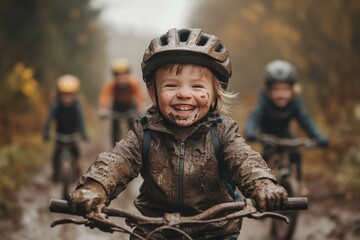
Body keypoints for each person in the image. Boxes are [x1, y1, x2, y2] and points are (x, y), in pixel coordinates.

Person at [68, 28, 288, 240]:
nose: (184, 93)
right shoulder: (143, 133)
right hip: (154, 231)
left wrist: (263, 184)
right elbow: (117, 161)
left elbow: (245, 161)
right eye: (171, 86)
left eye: (197, 86)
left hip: (214, 231)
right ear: (154, 93)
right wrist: (95, 189)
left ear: (214, 94)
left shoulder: (222, 133)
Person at [245, 59, 329, 194]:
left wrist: (318, 136)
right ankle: (260, 185)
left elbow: (305, 119)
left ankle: (299, 182)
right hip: (268, 134)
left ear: (292, 90)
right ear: (268, 91)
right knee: (264, 159)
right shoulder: (264, 102)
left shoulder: (295, 102)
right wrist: (251, 131)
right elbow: (254, 117)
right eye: (276, 90)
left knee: (296, 152)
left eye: (285, 89)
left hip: (286, 133)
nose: (280, 94)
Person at [43, 74, 88, 182]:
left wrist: (83, 133)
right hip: (60, 136)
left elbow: (80, 121)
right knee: (55, 154)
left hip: (72, 136)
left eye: (70, 95)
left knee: (76, 152)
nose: (67, 98)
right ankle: (55, 173)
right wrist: (46, 131)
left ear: (75, 95)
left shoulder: (77, 107)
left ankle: (78, 172)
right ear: (59, 95)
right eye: (64, 95)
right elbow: (49, 119)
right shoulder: (56, 105)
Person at [98, 58, 145, 144]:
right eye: (118, 75)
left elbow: (139, 96)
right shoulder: (111, 85)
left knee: (133, 125)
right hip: (117, 105)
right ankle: (114, 148)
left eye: (123, 75)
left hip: (130, 105)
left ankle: (136, 144)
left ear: (128, 74)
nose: (121, 78)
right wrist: (103, 108)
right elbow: (105, 96)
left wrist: (140, 107)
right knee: (115, 127)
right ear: (114, 76)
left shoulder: (133, 83)